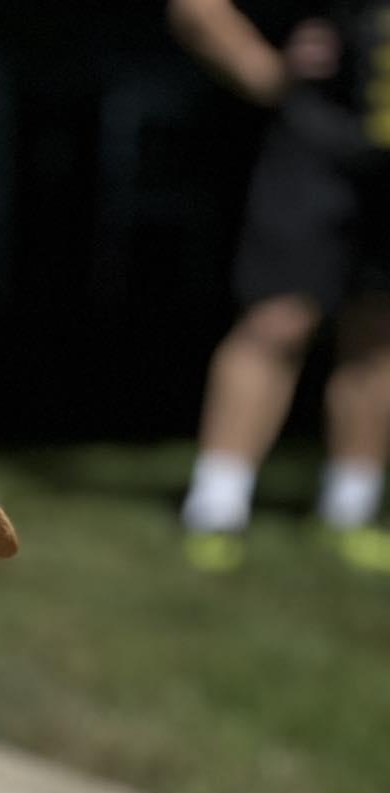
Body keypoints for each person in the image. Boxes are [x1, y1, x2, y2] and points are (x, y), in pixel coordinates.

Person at [169, 1, 390, 570]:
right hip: (315, 143)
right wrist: (260, 67)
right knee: (279, 319)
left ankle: (351, 512)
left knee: (379, 330)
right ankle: (216, 511)